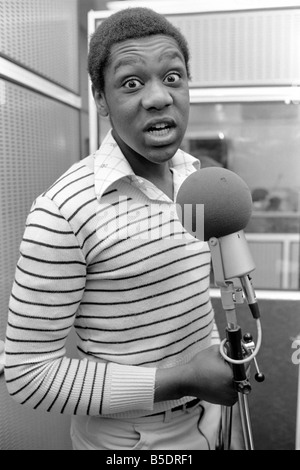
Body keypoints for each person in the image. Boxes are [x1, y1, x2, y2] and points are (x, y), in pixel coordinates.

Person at [4, 7, 239, 450]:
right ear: (100, 98)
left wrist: (215, 361)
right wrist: (184, 379)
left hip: (209, 417)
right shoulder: (63, 212)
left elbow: (187, 297)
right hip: (130, 440)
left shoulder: (192, 178)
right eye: (132, 83)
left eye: (173, 77)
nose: (158, 97)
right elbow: (27, 373)